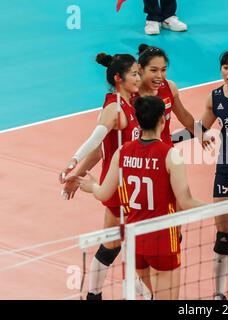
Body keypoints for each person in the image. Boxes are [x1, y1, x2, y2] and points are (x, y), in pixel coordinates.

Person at [79, 96, 205, 299]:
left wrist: (91, 185)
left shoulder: (123, 152)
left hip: (135, 242)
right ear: (162, 121)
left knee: (151, 293)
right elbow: (186, 202)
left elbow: (103, 192)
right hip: (163, 241)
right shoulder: (170, 155)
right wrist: (220, 208)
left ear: (137, 122)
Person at [174, 50, 228, 300]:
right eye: (225, 67)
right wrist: (166, 140)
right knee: (224, 238)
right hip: (225, 171)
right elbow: (199, 129)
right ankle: (218, 294)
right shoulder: (215, 97)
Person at [59, 52, 141, 300]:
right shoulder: (114, 108)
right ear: (119, 78)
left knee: (113, 242)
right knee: (131, 246)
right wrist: (73, 163)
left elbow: (100, 151)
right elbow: (96, 140)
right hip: (121, 187)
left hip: (130, 183)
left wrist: (78, 173)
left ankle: (94, 295)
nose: (139, 78)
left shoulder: (130, 102)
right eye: (134, 74)